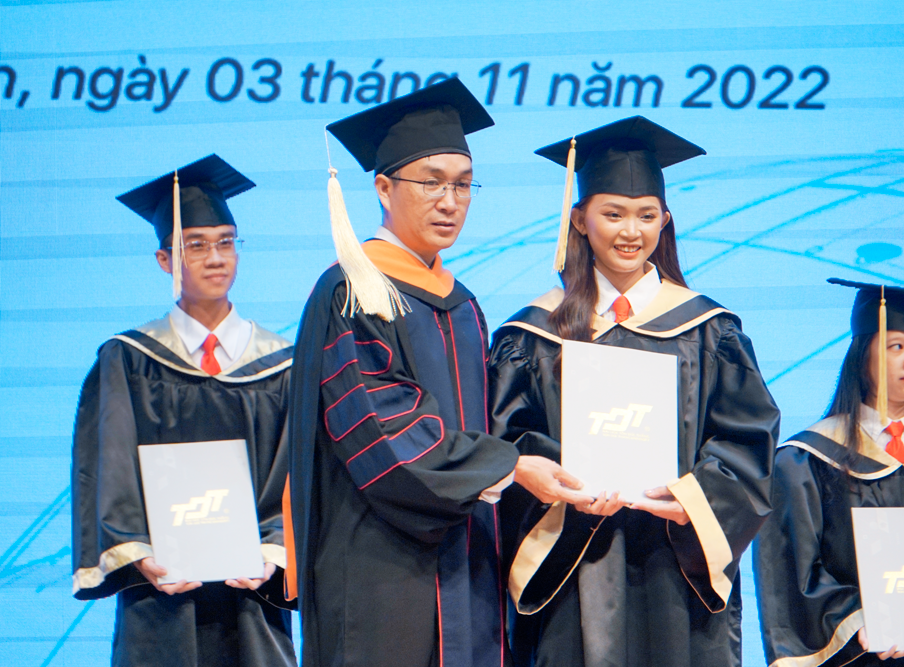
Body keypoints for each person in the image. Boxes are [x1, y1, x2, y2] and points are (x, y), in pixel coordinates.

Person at [287, 78, 590, 667]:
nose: (450, 201)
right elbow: (382, 429)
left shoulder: (464, 303)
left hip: (467, 565)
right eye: (431, 182)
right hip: (381, 570)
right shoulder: (353, 292)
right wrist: (510, 467)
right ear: (383, 187)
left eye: (463, 183)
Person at [488, 116, 781, 667]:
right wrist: (565, 483)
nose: (631, 231)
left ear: (665, 221)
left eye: (647, 215)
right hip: (570, 572)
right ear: (580, 220)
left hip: (675, 574)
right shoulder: (534, 334)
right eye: (613, 214)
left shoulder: (708, 331)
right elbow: (506, 441)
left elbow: (748, 445)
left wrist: (691, 499)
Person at [71, 154, 296, 667]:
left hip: (252, 593)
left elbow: (296, 472)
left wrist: (274, 550)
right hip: (160, 595)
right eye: (195, 245)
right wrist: (138, 553)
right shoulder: (129, 359)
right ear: (164, 260)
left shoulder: (281, 362)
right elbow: (108, 465)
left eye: (226, 242)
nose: (216, 258)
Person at [753, 278, 904, 667]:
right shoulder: (808, 461)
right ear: (861, 356)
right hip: (857, 655)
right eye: (896, 346)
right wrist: (857, 622)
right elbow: (790, 573)